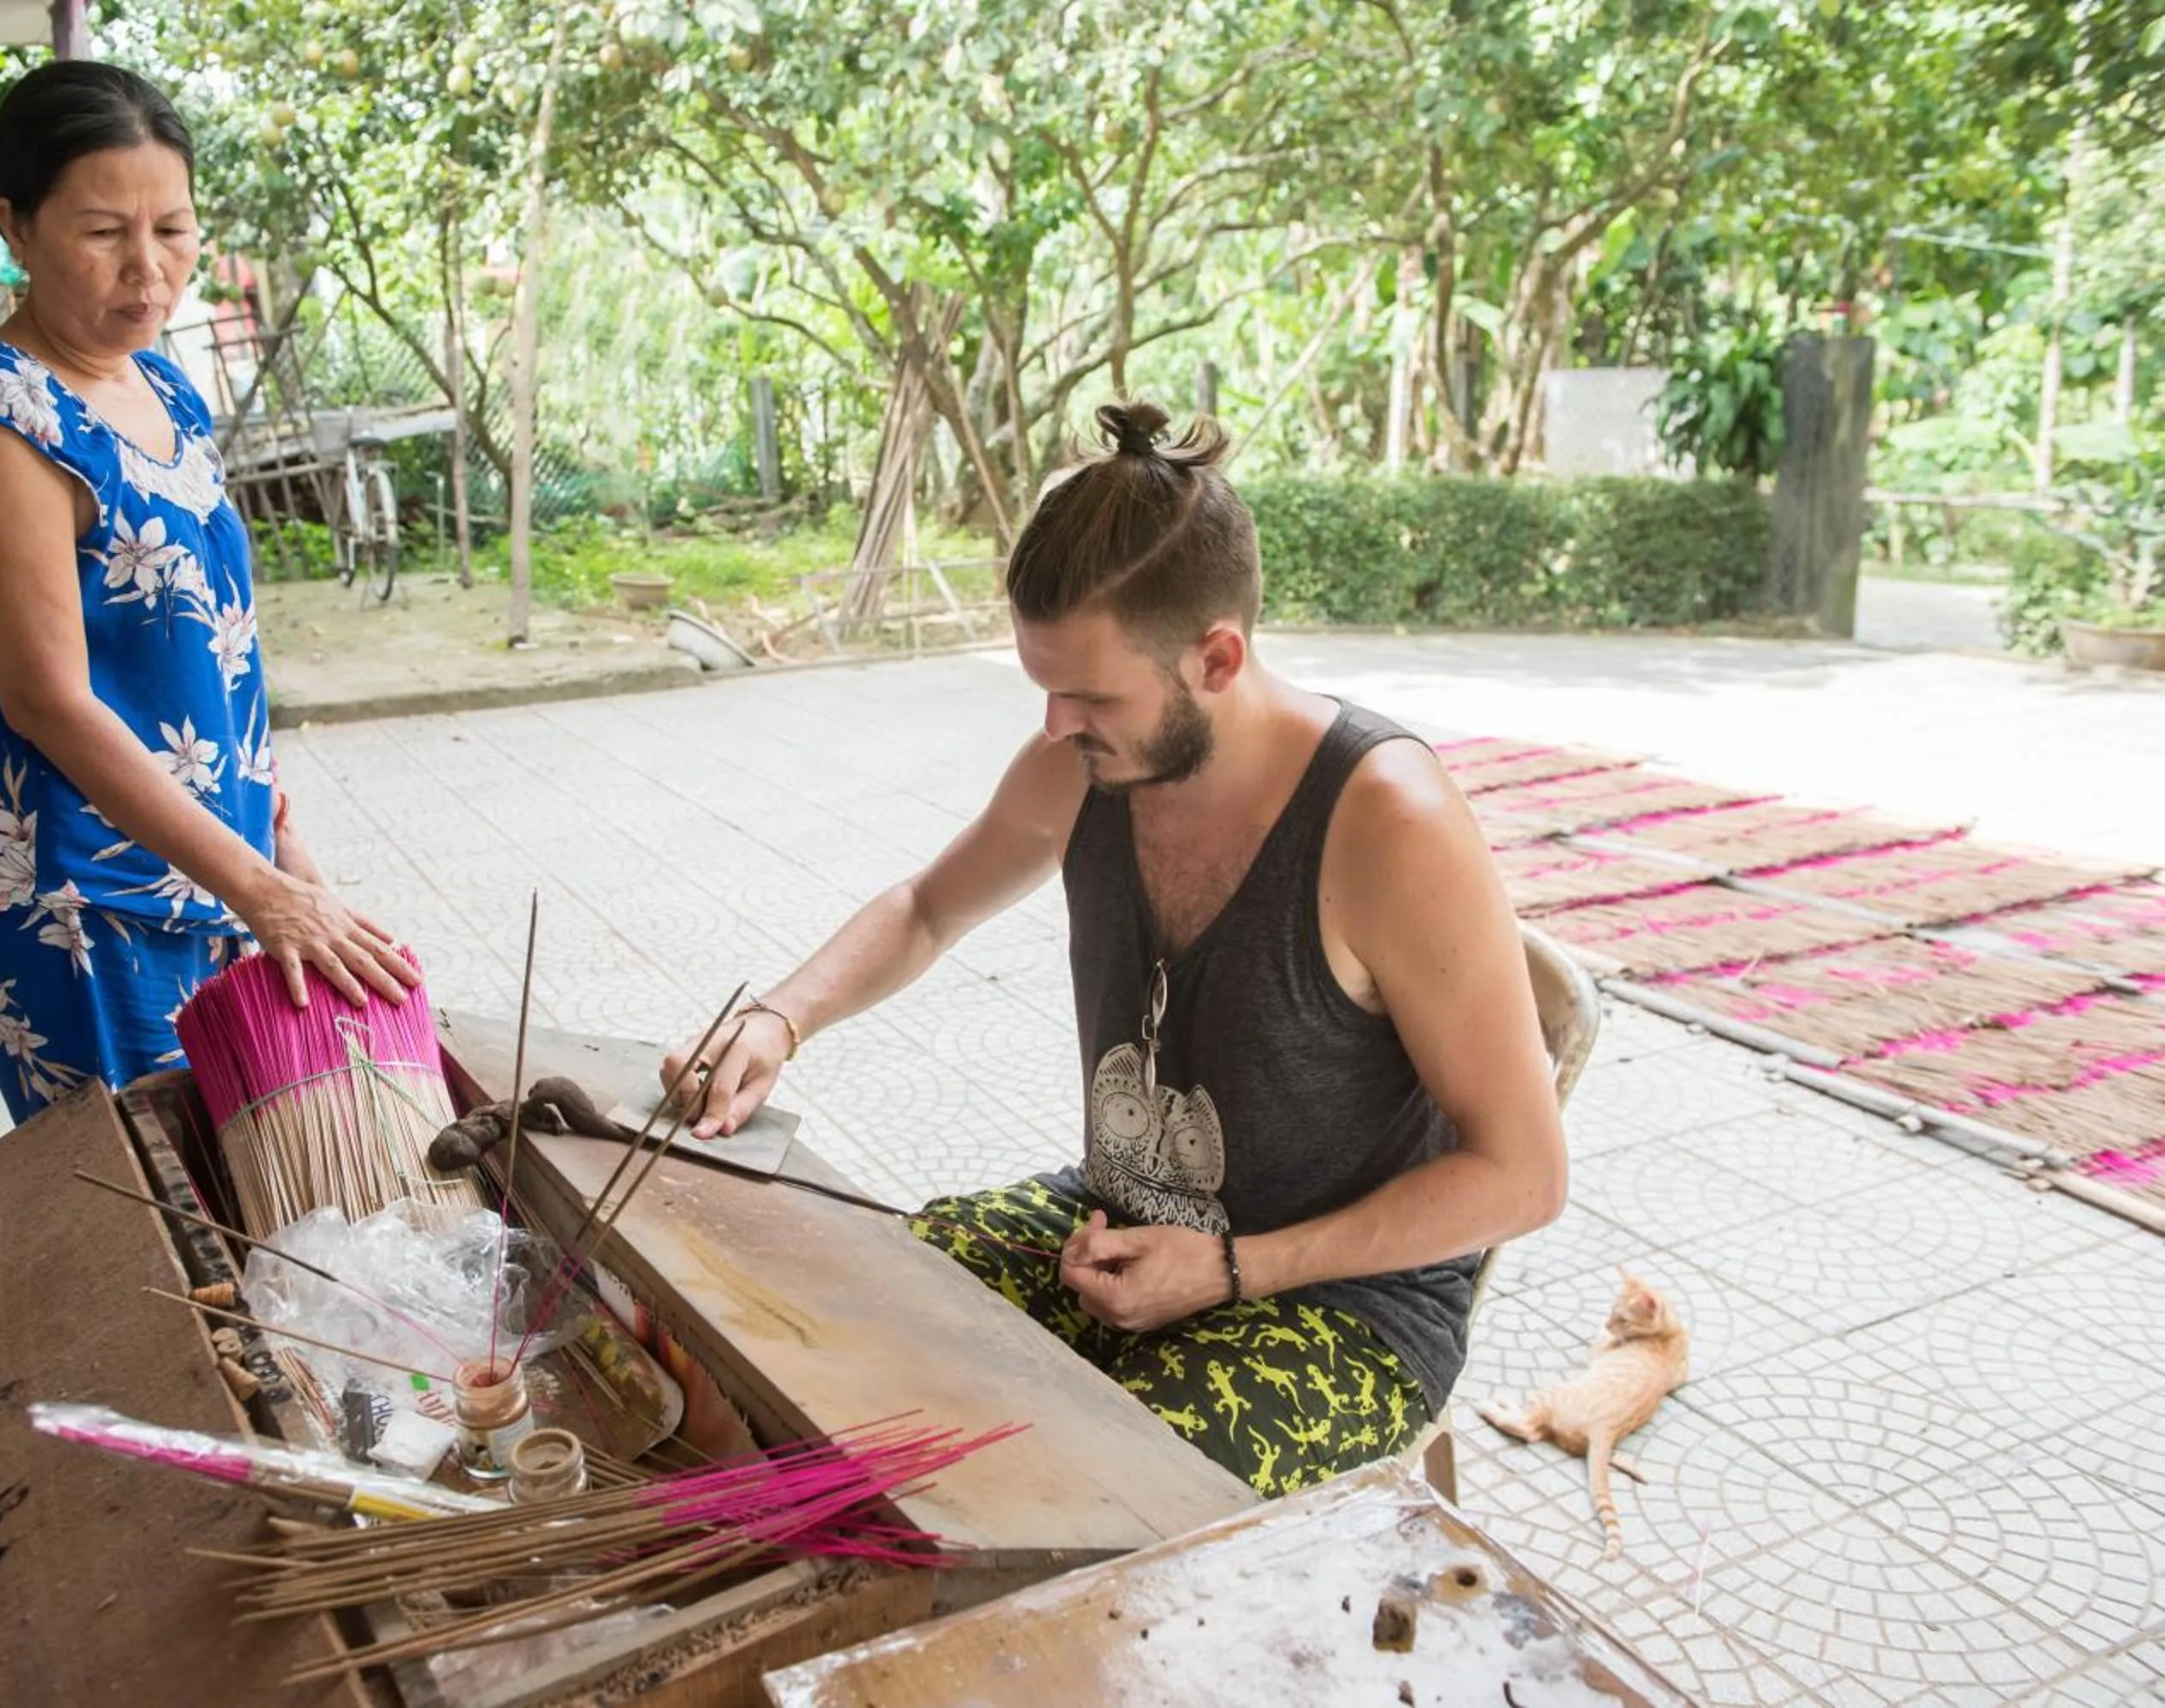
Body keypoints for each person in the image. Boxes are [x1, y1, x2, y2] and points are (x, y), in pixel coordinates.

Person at [662, 403, 1567, 1496]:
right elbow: (929, 906)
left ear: (1219, 657)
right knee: (842, 1311)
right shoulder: (1082, 762)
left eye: (1090, 697)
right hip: (1119, 1220)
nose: (1053, 727)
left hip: (1343, 1303)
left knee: (1074, 1494)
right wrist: (781, 1014)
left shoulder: (1390, 822)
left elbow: (1523, 1174)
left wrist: (1231, 1271)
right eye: (1043, 688)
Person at [0, 61, 414, 1124]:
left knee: (256, 1177)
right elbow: (45, 698)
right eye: (103, 232)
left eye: (174, 230)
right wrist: (261, 890)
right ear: (14, 224)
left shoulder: (162, 381)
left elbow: (206, 649)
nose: (149, 271)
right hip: (78, 892)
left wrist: (277, 846)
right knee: (162, 1215)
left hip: (208, 863)